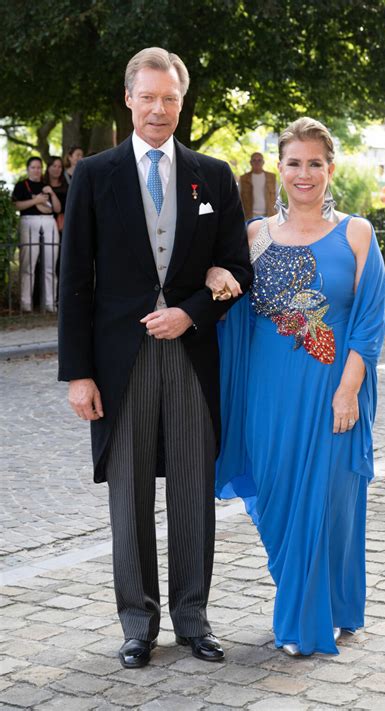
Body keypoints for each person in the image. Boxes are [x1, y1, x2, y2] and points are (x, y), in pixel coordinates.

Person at [58, 47, 252, 669]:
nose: (159, 109)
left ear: (181, 102)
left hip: (193, 357)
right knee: (130, 494)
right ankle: (137, 624)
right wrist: (78, 372)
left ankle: (193, 618)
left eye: (170, 98)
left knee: (194, 490)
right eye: (148, 97)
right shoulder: (94, 175)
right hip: (121, 363)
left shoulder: (214, 176)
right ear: (129, 99)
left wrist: (192, 311)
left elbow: (237, 271)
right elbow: (74, 283)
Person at [208, 117, 385, 656]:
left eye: (315, 163)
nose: (303, 173)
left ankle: (305, 621)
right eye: (294, 163)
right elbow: (228, 306)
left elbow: (370, 322)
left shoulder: (357, 233)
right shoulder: (254, 235)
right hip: (265, 397)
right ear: (278, 168)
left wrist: (349, 389)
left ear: (330, 169)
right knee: (283, 500)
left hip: (333, 391)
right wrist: (215, 278)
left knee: (326, 501)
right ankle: (324, 600)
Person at [12, 156, 61, 312]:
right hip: (28, 221)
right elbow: (16, 205)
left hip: (48, 222)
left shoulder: (46, 186)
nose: (36, 170)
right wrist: (36, 201)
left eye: (39, 167)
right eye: (33, 167)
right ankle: (26, 304)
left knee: (50, 266)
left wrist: (51, 194)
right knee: (28, 264)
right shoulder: (21, 186)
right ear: (28, 169)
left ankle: (50, 303)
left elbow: (57, 209)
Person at [239, 152, 277, 220]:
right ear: (250, 162)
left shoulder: (272, 177)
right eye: (254, 160)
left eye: (259, 160)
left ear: (263, 162)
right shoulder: (243, 179)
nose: (257, 162)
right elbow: (238, 198)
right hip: (249, 216)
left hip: (269, 215)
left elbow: (277, 197)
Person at [44, 156, 68, 233]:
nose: (57, 169)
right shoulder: (42, 185)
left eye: (59, 167)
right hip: (45, 224)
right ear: (48, 167)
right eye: (54, 166)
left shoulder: (67, 186)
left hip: (64, 225)